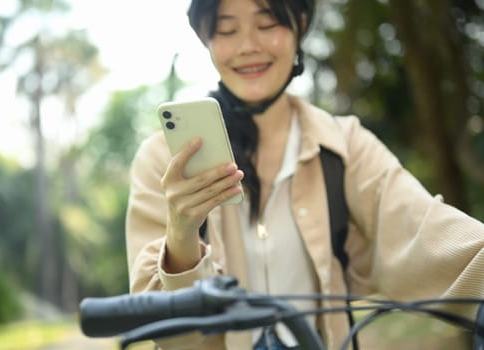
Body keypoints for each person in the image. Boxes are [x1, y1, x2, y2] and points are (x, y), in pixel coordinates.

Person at [125, 0, 484, 349]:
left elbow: (426, 232)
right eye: (226, 29)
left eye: (267, 24)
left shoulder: (345, 146)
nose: (248, 46)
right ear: (205, 39)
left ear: (300, 24)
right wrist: (182, 236)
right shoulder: (164, 159)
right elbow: (166, 331)